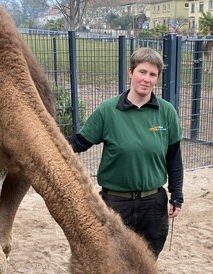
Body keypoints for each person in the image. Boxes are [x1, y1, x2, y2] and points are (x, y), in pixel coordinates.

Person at [66, 47, 184, 258]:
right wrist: (45, 140)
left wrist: (177, 195)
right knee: (114, 262)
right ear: (131, 72)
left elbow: (174, 158)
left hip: (153, 204)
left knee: (148, 261)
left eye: (152, 74)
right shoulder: (107, 111)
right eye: (142, 71)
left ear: (157, 78)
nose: (146, 79)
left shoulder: (167, 112)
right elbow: (79, 143)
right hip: (115, 204)